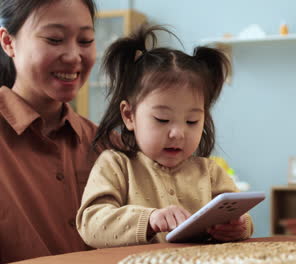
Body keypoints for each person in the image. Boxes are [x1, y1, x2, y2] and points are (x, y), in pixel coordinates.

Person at [76, 24, 253, 248]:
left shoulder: (210, 173)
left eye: (192, 121)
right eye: (161, 119)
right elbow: (91, 225)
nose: (178, 133)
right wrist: (149, 220)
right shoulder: (116, 165)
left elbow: (240, 215)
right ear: (129, 115)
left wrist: (239, 226)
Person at [0, 0, 100, 262]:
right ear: (8, 42)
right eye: (54, 39)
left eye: (86, 40)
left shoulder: (104, 143)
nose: (73, 56)